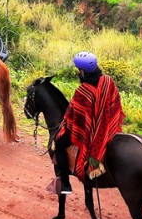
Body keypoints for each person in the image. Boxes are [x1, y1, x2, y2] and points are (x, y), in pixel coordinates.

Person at [52, 52, 125, 195]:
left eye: (79, 70)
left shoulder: (82, 91)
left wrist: (66, 125)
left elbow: (74, 118)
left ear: (82, 71)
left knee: (59, 144)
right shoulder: (108, 81)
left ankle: (65, 184)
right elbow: (115, 103)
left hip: (89, 135)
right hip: (109, 127)